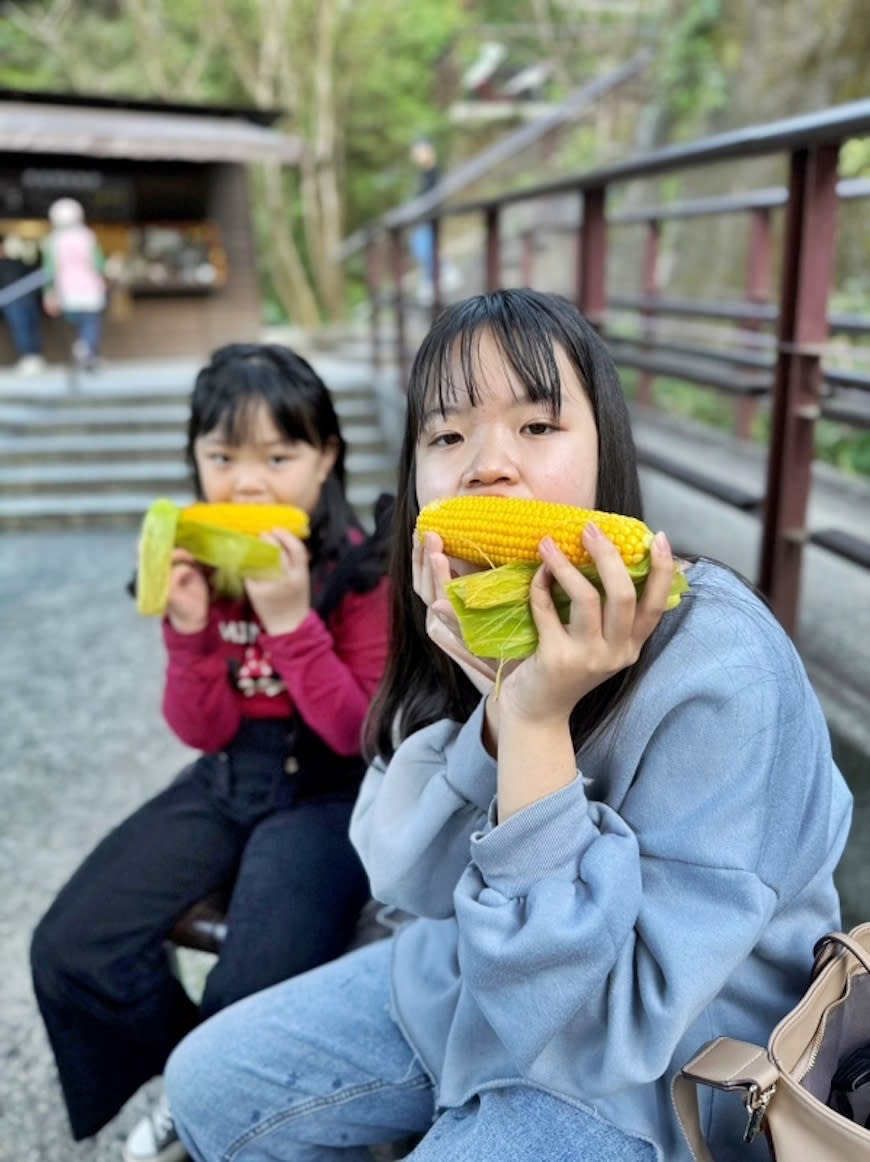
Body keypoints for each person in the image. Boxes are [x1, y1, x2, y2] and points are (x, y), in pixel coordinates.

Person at [163, 290, 852, 1162]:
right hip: (468, 989)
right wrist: (491, 714)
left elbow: (610, 1029)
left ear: (608, 449)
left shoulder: (723, 663)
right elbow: (404, 877)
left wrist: (535, 724)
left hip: (663, 1071)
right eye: (446, 436)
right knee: (208, 1083)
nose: (486, 466)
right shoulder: (463, 610)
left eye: (537, 426)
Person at [30, 344, 392, 1162]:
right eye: (221, 457)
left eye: (278, 456)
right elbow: (201, 728)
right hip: (231, 772)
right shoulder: (200, 563)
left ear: (326, 457)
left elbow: (356, 733)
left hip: (331, 791)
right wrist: (190, 633)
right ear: (194, 460)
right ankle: (192, 1085)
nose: (248, 482)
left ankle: (225, 1097)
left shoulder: (362, 567)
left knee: (248, 989)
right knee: (71, 947)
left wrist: (295, 620)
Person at [41, 196, 107, 370]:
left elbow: (49, 270)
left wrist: (49, 292)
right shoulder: (87, 237)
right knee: (91, 321)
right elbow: (99, 264)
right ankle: (85, 348)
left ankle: (85, 349)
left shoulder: (52, 241)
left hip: (66, 290)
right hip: (90, 287)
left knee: (77, 321)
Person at [0, 233, 45, 374]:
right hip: (19, 301)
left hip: (20, 301)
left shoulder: (16, 261)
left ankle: (32, 358)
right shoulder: (18, 262)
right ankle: (32, 358)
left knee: (25, 329)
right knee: (24, 329)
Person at [409, 138, 440, 301]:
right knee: (421, 249)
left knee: (425, 249)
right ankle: (430, 282)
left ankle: (434, 280)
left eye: (419, 152)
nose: (416, 156)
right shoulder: (424, 174)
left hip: (430, 219)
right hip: (425, 220)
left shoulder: (433, 174)